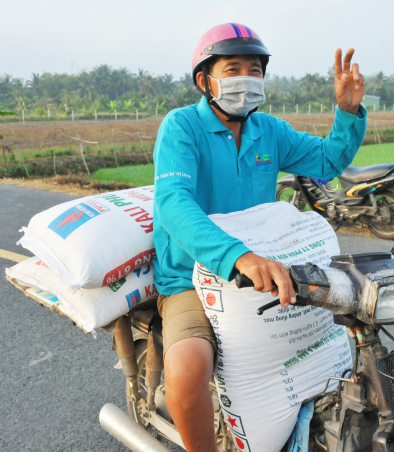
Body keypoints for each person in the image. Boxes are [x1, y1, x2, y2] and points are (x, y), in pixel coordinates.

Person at [152, 23, 366, 452]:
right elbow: (172, 203)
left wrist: (347, 112)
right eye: (233, 69)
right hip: (192, 277)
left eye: (255, 70)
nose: (246, 79)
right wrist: (237, 256)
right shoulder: (182, 128)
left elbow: (326, 160)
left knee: (341, 337)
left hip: (263, 271)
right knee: (188, 368)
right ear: (204, 79)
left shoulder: (268, 131)